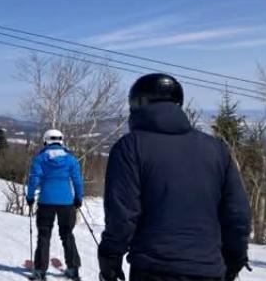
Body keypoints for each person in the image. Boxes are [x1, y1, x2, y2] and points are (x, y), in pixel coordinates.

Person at [98, 74, 251, 281]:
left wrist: (110, 256)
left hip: (154, 268)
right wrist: (234, 259)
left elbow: (122, 214)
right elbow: (237, 214)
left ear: (137, 103)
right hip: (209, 268)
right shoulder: (216, 149)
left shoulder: (130, 147)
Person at [26, 129, 83, 281]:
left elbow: (33, 179)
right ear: (61, 141)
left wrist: (30, 197)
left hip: (46, 201)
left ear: (45, 141)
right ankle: (73, 269)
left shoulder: (40, 158)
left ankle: (40, 271)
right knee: (67, 234)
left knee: (44, 236)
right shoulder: (71, 159)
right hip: (66, 202)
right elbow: (77, 180)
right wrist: (78, 198)